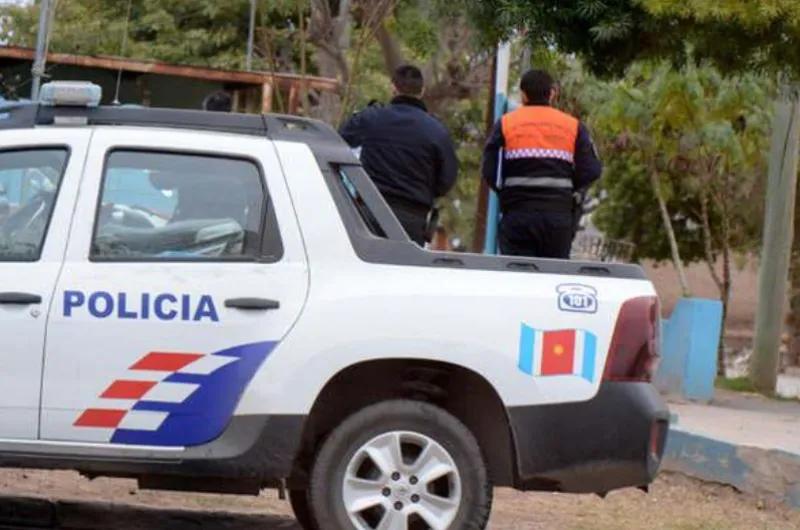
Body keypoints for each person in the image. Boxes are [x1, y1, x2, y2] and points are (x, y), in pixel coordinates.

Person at [481, 70, 602, 259]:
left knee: (518, 273)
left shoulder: (506, 124)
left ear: (523, 95)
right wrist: (568, 189)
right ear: (552, 93)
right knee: (552, 273)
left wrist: (505, 193)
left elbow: (489, 170)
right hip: (557, 218)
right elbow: (592, 170)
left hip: (518, 215)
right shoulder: (573, 126)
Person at [340, 65, 458, 245]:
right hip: (412, 218)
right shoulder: (437, 131)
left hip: (370, 212)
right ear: (422, 91)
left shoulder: (372, 117)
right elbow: (447, 179)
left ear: (393, 88)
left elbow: (340, 140)